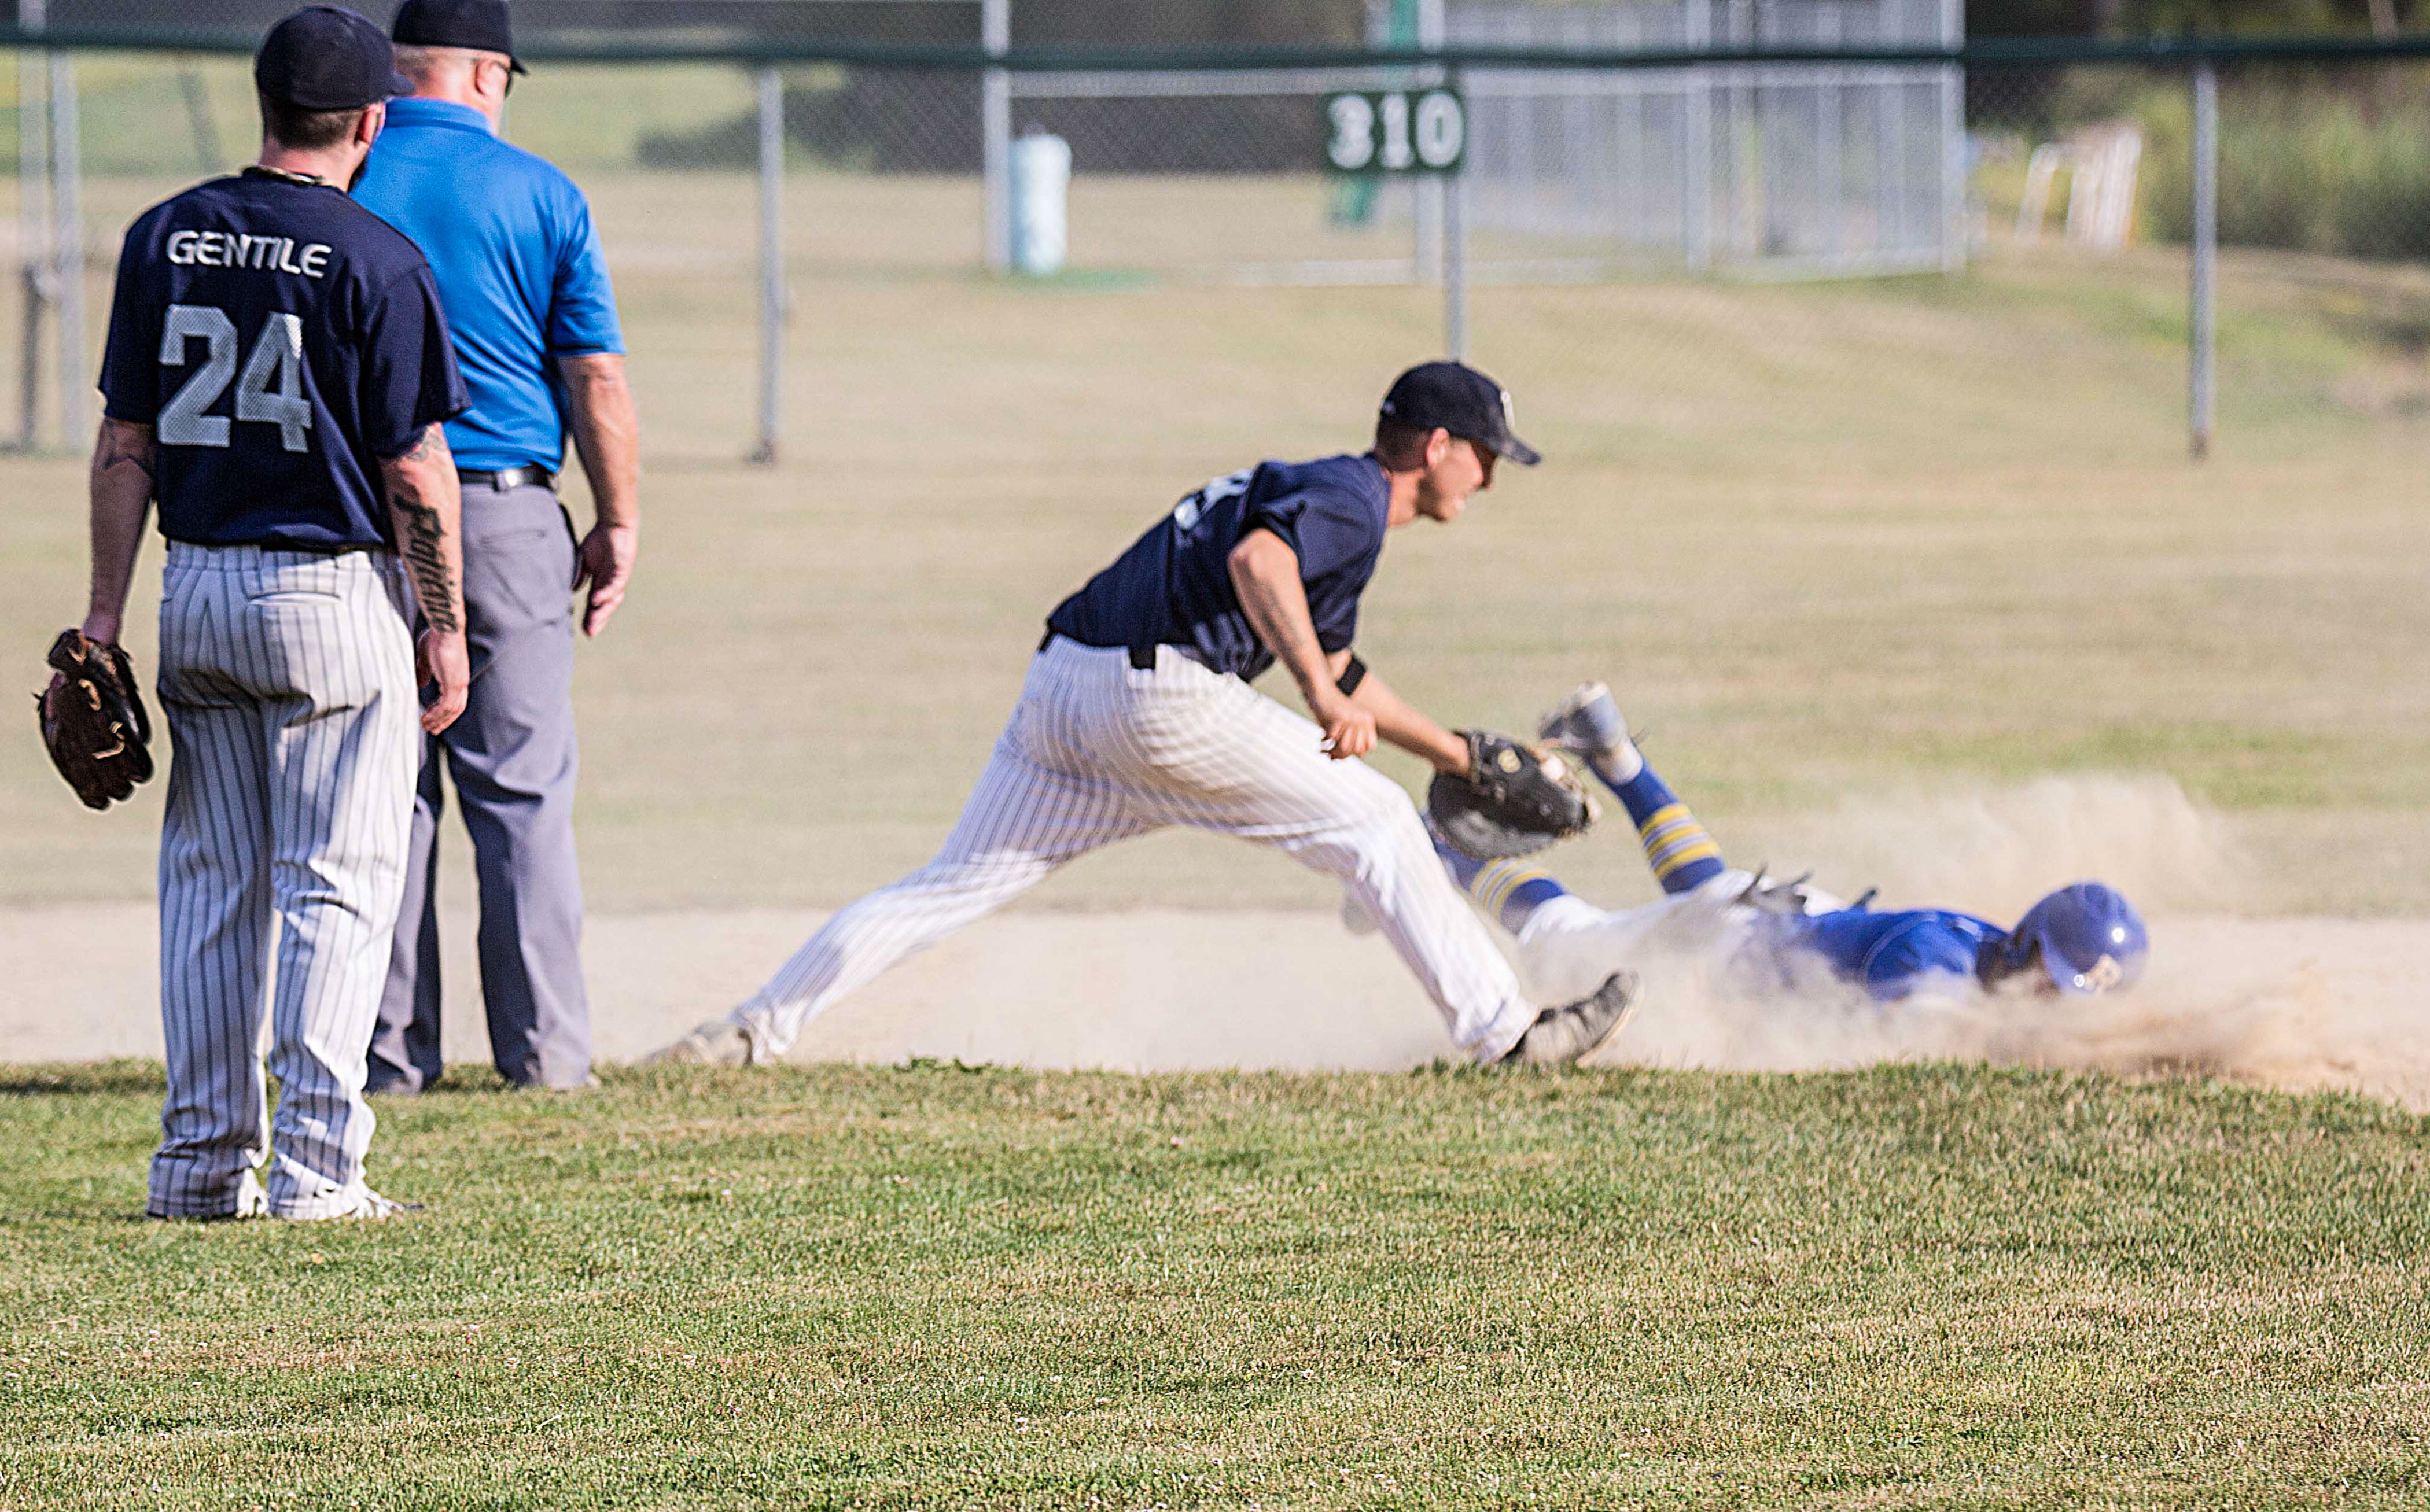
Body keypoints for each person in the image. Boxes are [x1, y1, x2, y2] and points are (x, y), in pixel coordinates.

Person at [651, 363, 1636, 1070]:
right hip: (1155, 701)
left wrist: (1456, 752)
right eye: (1487, 457)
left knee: (944, 887)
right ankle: (1508, 1036)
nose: (1490, 478)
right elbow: (1261, 567)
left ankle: (746, 1031)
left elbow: (1338, 660)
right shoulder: (1350, 496)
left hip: (1064, 691)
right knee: (1377, 822)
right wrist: (1319, 695)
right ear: (1438, 447)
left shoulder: (1320, 494)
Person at [87, 6, 470, 1220]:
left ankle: (201, 1167)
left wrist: (101, 622)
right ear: (370, 122)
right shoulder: (375, 258)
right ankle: (314, 1171)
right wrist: (445, 621)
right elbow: (415, 468)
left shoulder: (164, 236)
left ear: (265, 105)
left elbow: (126, 442)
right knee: (335, 883)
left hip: (194, 582)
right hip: (331, 593)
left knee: (210, 883)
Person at [350, 0, 640, 1094]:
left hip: (360, 517)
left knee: (386, 791)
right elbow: (594, 374)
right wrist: (617, 518)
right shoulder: (541, 192)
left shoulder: (345, 172)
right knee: (519, 794)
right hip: (505, 512)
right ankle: (545, 1058)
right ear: (486, 74)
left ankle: (387, 1056)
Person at [1437, 682, 2152, 1009]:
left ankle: (1617, 756)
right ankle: (1442, 848)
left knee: (1708, 887)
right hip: (1735, 944)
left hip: (1781, 915)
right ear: (2029, 944)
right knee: (1562, 940)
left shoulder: (1982, 954)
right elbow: (1933, 1049)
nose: (2054, 998)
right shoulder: (1931, 964)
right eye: (2055, 977)